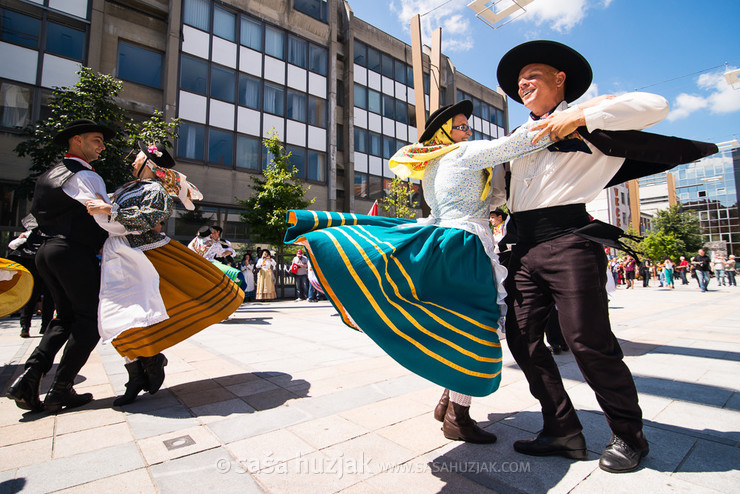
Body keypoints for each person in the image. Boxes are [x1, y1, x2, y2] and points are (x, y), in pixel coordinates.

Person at [285, 99, 592, 443]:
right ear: (445, 132)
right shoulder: (462, 153)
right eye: (461, 126)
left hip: (446, 242)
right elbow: (517, 144)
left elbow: (478, 200)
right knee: (476, 329)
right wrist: (571, 118)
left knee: (458, 322)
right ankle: (457, 417)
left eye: (466, 127)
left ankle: (448, 401)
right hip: (466, 247)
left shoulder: (432, 165)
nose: (468, 131)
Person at [495, 40, 717, 473]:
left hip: (571, 242)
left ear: (560, 79)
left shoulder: (592, 119)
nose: (523, 84)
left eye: (533, 76)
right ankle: (561, 429)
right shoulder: (516, 137)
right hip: (521, 247)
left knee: (588, 343)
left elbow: (656, 103)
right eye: (519, 81)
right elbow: (502, 193)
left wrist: (580, 116)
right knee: (521, 340)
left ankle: (629, 436)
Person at [84, 143, 244, 405]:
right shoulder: (125, 188)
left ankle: (147, 362)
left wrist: (108, 210)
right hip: (119, 255)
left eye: (137, 157)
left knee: (141, 311)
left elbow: (152, 217)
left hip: (148, 254)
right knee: (115, 316)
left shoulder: (156, 190)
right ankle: (139, 368)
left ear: (149, 162)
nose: (132, 161)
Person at [6, 119, 113, 414]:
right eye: (96, 139)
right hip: (72, 252)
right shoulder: (86, 176)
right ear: (76, 140)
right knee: (90, 321)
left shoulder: (48, 175)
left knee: (64, 318)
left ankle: (29, 377)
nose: (102, 146)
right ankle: (61, 387)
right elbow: (102, 216)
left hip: (48, 251)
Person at [7, 225, 55, 338]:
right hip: (45, 269)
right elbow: (13, 245)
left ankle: (27, 327)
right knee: (47, 298)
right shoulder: (50, 233)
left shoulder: (32, 234)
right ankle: (43, 327)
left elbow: (12, 245)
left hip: (37, 270)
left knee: (35, 298)